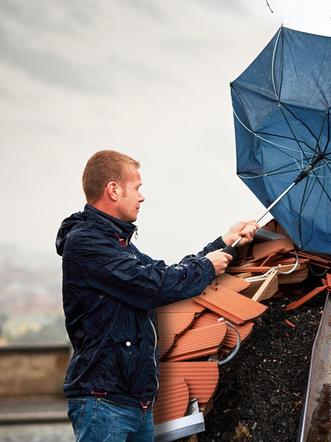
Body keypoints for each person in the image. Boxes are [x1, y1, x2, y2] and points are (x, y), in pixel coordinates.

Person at [55, 150, 258, 441]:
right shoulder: (87, 243)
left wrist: (224, 243)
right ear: (113, 190)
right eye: (136, 187)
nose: (142, 196)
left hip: (135, 401)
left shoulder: (118, 244)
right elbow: (155, 285)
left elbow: (165, 272)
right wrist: (207, 267)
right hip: (103, 401)